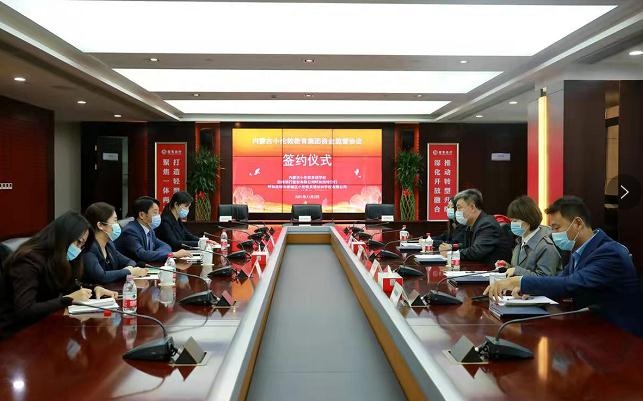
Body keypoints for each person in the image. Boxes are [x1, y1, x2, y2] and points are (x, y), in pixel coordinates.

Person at [485, 196, 642, 337]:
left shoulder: (610, 252)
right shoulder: (580, 250)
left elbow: (571, 284)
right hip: (591, 328)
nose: (553, 233)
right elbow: (561, 278)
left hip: (620, 336)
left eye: (556, 228)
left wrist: (520, 281)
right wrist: (530, 290)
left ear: (578, 223)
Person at [0, 211, 117, 335]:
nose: (78, 249)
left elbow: (69, 287)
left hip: (45, 325)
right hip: (16, 333)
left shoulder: (56, 258)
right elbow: (25, 310)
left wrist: (94, 289)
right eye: (78, 242)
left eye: (82, 246)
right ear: (63, 237)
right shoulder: (28, 260)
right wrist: (67, 300)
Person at [438, 189, 512, 263]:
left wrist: (451, 254)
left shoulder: (487, 224)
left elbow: (477, 251)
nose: (457, 212)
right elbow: (467, 246)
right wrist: (452, 247)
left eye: (459, 208)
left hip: (492, 268)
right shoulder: (471, 225)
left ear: (472, 207)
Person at [83, 202, 148, 284]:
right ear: (100, 225)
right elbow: (101, 277)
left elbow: (130, 262)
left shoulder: (109, 245)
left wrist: (129, 268)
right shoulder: (89, 248)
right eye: (115, 221)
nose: (118, 225)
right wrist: (129, 271)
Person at [115, 196, 192, 263]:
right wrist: (172, 254)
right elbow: (142, 254)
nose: (158, 216)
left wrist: (155, 254)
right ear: (142, 215)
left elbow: (166, 246)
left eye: (158, 212)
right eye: (155, 213)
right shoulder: (130, 231)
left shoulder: (149, 229)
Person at [500, 195, 562, 277]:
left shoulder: (546, 246)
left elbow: (545, 278)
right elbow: (522, 268)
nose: (512, 224)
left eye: (515, 221)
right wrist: (508, 267)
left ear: (528, 220)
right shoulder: (519, 241)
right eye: (511, 221)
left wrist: (516, 271)